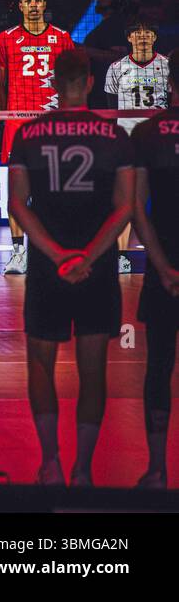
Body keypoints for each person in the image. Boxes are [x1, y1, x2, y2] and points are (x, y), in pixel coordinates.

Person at [8, 49, 133, 486]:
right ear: (91, 82)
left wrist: (58, 255)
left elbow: (18, 206)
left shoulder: (28, 135)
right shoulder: (114, 137)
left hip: (48, 267)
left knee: (40, 364)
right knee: (94, 366)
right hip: (96, 268)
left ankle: (50, 462)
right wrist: (90, 256)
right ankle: (82, 468)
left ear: (53, 82)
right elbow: (125, 208)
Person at [0, 0, 75, 275]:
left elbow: (70, 79)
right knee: (18, 192)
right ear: (20, 5)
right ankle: (18, 252)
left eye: (38, 0)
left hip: (52, 122)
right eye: (28, 1)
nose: (34, 5)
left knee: (55, 187)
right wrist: (5, 113)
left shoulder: (62, 37)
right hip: (18, 121)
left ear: (45, 3)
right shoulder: (5, 38)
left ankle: (54, 249)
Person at [130, 50, 179, 489]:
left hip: (163, 273)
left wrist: (162, 265)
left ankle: (157, 468)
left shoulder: (147, 132)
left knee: (159, 366)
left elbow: (136, 208)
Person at [104, 18, 169, 274]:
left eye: (148, 32)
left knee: (165, 197)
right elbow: (111, 109)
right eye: (137, 32)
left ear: (155, 37)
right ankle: (120, 256)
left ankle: (166, 251)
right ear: (128, 38)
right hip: (129, 140)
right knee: (125, 200)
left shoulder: (166, 66)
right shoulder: (116, 68)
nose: (142, 36)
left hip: (159, 140)